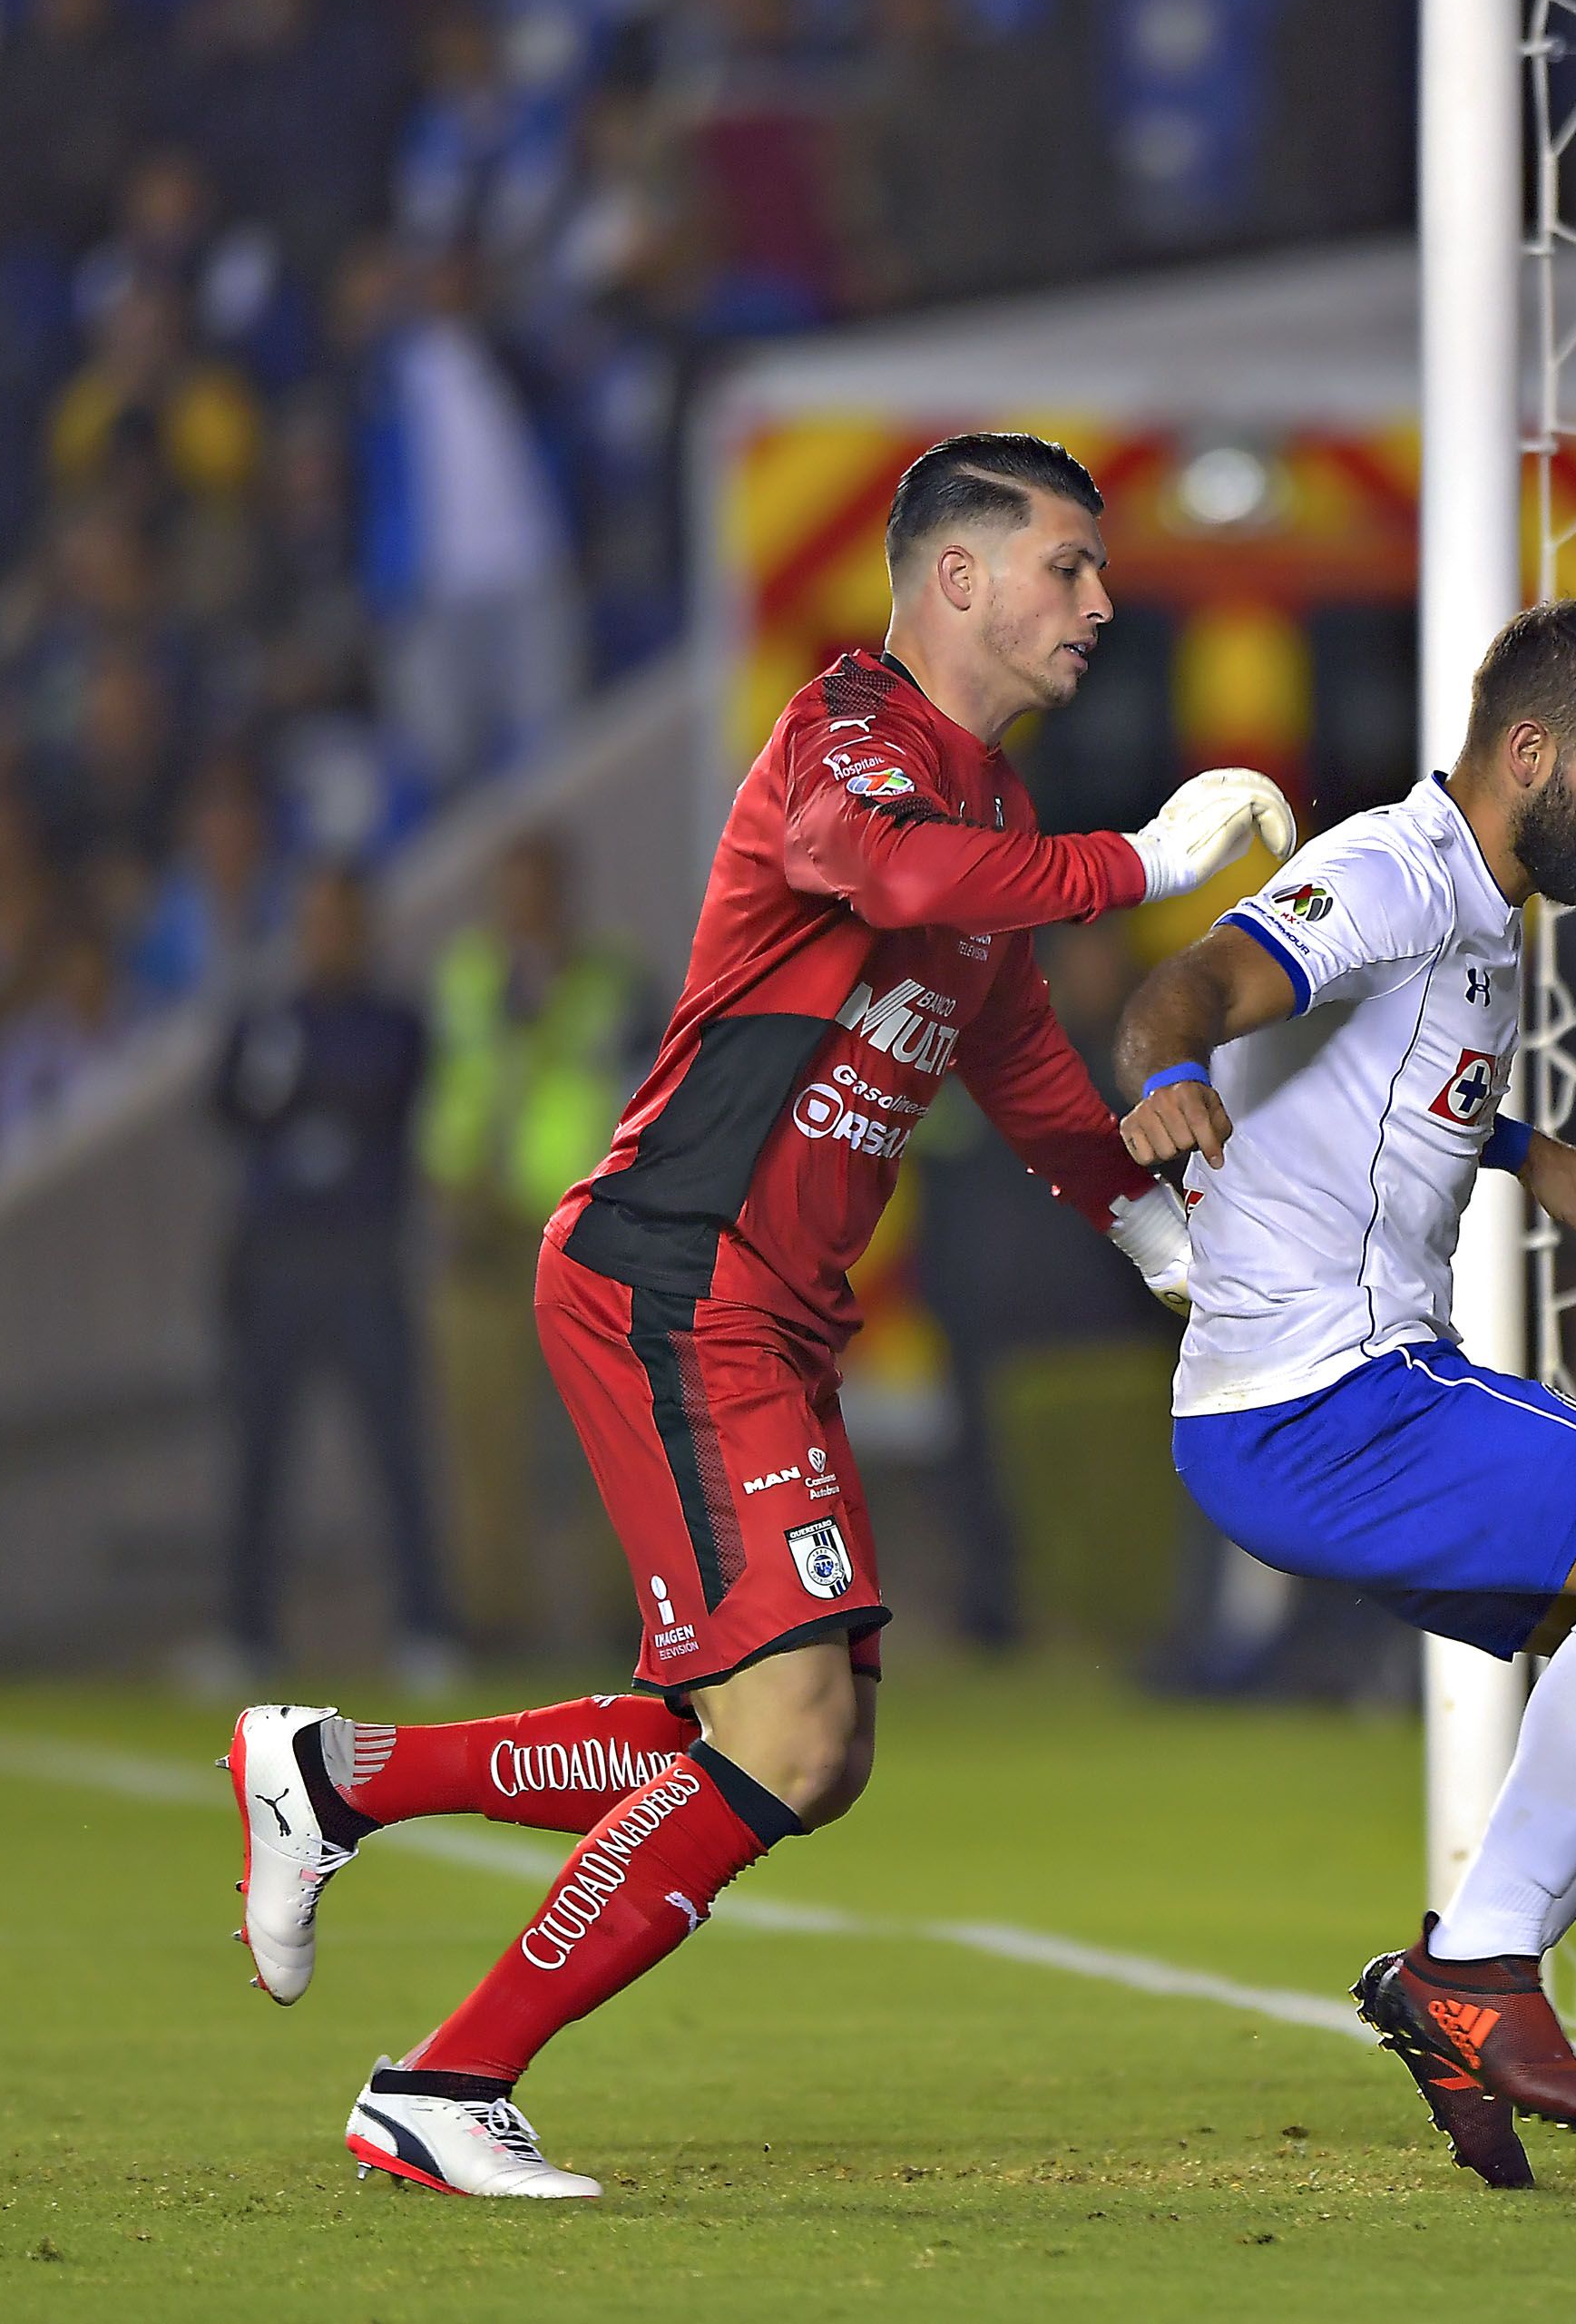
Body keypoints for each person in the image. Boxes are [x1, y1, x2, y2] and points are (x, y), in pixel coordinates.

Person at [217, 433, 1293, 2196]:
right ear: (955, 578)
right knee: (784, 1730)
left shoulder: (996, 816)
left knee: (798, 1742)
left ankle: (336, 1777)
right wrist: (1139, 858)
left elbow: (1013, 1057)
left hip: (758, 1310)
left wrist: (1154, 1234)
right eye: (1067, 567)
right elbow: (887, 878)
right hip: (674, 1270)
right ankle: (441, 2080)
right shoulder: (841, 736)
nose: (1099, 601)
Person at [1109, 599, 1576, 2191]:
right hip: (1318, 1401)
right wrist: (1166, 1076)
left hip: (1348, 1401)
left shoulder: (1477, 910)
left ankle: (1467, 1976)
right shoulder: (1388, 875)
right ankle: (1473, 1974)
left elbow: (1390, 1080)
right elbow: (1188, 990)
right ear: (1532, 750)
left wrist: (1531, 1155)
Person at [209, 862, 459, 1684]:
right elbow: (224, 1106)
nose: (328, 936)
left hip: (361, 1253)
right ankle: (246, 1632)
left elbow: (387, 1091)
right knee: (259, 1451)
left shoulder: (395, 1022)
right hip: (277, 1255)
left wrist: (306, 1095)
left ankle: (426, 1625)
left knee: (395, 1449)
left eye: (341, 919)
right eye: (315, 919)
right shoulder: (269, 1019)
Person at [418, 833, 652, 1649]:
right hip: (482, 1232)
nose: (527, 909)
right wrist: (449, 1186)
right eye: (513, 892)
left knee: (618, 1438)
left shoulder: (614, 983)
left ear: (565, 894)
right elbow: (441, 1092)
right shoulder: (467, 980)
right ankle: (493, 1622)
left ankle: (627, 1623)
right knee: (484, 1438)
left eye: (540, 890)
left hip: (587, 1233)